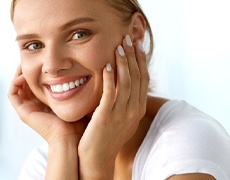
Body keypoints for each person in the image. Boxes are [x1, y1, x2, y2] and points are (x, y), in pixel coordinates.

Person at [8, 0, 230, 179]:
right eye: (33, 45)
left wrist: (96, 166)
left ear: (134, 32)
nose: (52, 65)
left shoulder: (187, 147)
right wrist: (62, 141)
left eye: (79, 34)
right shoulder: (46, 161)